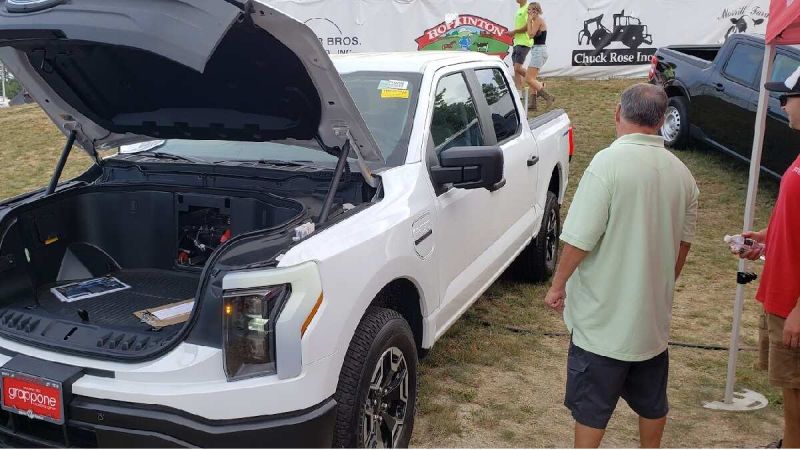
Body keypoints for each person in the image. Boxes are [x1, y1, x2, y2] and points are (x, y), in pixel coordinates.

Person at [544, 83, 699, 448]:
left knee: (592, 409)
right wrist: (663, 281)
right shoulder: (683, 176)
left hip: (603, 325)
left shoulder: (606, 165)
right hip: (651, 324)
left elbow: (580, 238)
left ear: (618, 113)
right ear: (662, 120)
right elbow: (683, 244)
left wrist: (558, 284)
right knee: (652, 402)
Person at [738, 66, 800, 449]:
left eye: (787, 97)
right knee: (791, 390)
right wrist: (768, 239)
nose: (783, 105)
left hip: (793, 302)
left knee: (796, 389)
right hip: (782, 295)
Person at [525, 2, 555, 109]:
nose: (528, 12)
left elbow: (530, 35)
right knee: (532, 79)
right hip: (538, 51)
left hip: (539, 51)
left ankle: (548, 97)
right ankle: (533, 104)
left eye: (529, 10)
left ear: (535, 11)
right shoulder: (536, 21)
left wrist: (529, 21)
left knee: (529, 79)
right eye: (528, 10)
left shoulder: (537, 20)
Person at [508, 0, 536, 110]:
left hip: (524, 42)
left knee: (517, 68)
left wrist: (514, 32)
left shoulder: (527, 8)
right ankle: (519, 94)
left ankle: (536, 83)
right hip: (518, 42)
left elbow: (527, 26)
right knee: (516, 69)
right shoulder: (520, 9)